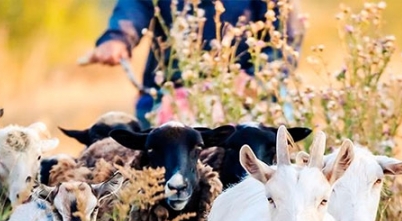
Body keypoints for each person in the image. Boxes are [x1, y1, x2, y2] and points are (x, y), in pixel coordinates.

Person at [82, 0, 304, 127]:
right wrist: (117, 37)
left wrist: (257, 78)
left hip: (247, 88)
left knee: (283, 140)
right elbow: (137, 5)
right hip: (173, 85)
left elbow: (286, 35)